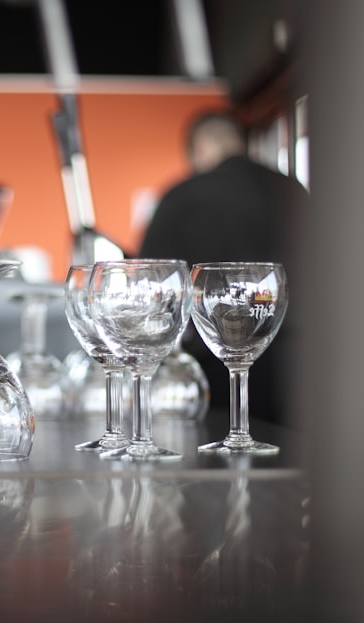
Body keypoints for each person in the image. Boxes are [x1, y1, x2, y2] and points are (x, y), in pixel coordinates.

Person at [138, 109, 309, 427]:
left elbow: (154, 284)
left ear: (200, 147)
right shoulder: (293, 190)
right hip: (302, 361)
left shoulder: (184, 195)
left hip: (213, 367)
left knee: (219, 452)